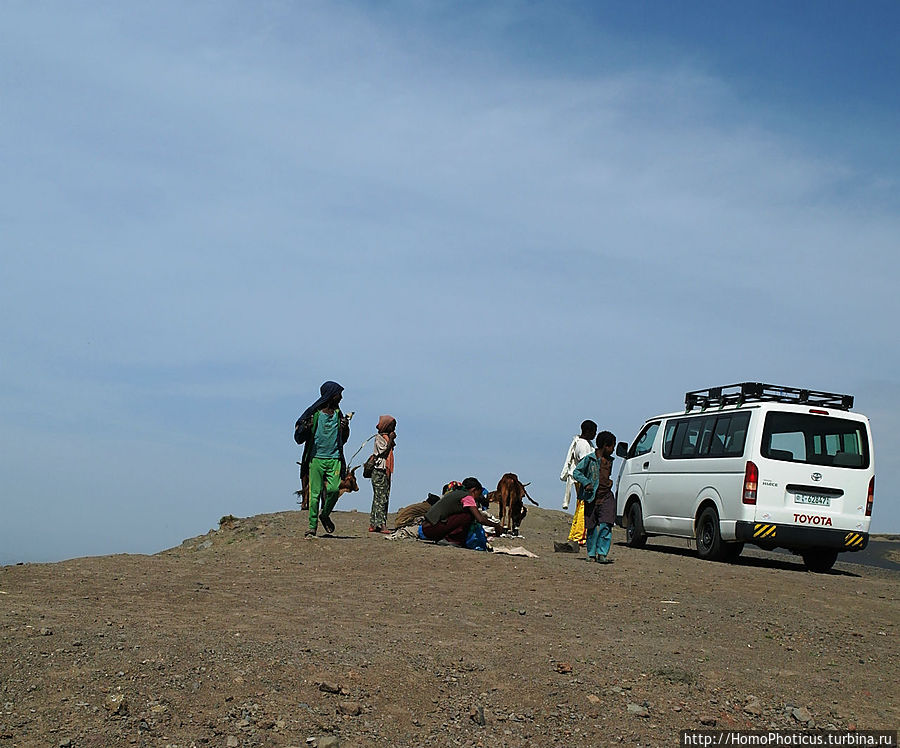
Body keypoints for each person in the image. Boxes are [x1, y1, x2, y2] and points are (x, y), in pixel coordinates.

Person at [294, 381, 351, 537]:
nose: (341, 397)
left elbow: (343, 439)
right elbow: (298, 436)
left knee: (333, 489)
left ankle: (324, 515)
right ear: (331, 395)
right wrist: (307, 426)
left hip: (334, 458)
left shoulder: (338, 415)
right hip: (316, 459)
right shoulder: (314, 413)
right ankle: (312, 526)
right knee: (314, 494)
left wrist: (345, 428)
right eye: (339, 393)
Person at [572, 430, 617, 563]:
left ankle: (602, 553)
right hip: (591, 497)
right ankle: (591, 554)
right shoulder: (590, 459)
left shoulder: (610, 461)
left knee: (606, 524)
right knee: (591, 527)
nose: (613, 449)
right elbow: (577, 472)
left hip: (606, 496)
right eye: (612, 446)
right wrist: (586, 483)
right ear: (605, 445)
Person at [419, 477, 502, 546]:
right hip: (431, 529)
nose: (478, 497)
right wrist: (496, 526)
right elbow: (480, 519)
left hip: (426, 528)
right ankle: (451, 540)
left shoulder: (457, 493)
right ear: (474, 490)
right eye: (478, 493)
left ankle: (449, 538)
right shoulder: (468, 497)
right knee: (469, 515)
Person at [560, 420, 597, 546]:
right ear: (588, 431)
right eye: (594, 432)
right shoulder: (583, 445)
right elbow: (585, 463)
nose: (595, 434)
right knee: (584, 506)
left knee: (580, 505)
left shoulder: (582, 442)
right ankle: (579, 536)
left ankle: (574, 535)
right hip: (582, 479)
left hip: (579, 479)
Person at [368, 415, 397, 533]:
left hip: (384, 470)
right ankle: (381, 524)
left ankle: (374, 523)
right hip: (379, 470)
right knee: (381, 497)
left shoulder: (385, 437)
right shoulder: (379, 438)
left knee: (381, 496)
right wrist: (390, 439)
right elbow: (384, 452)